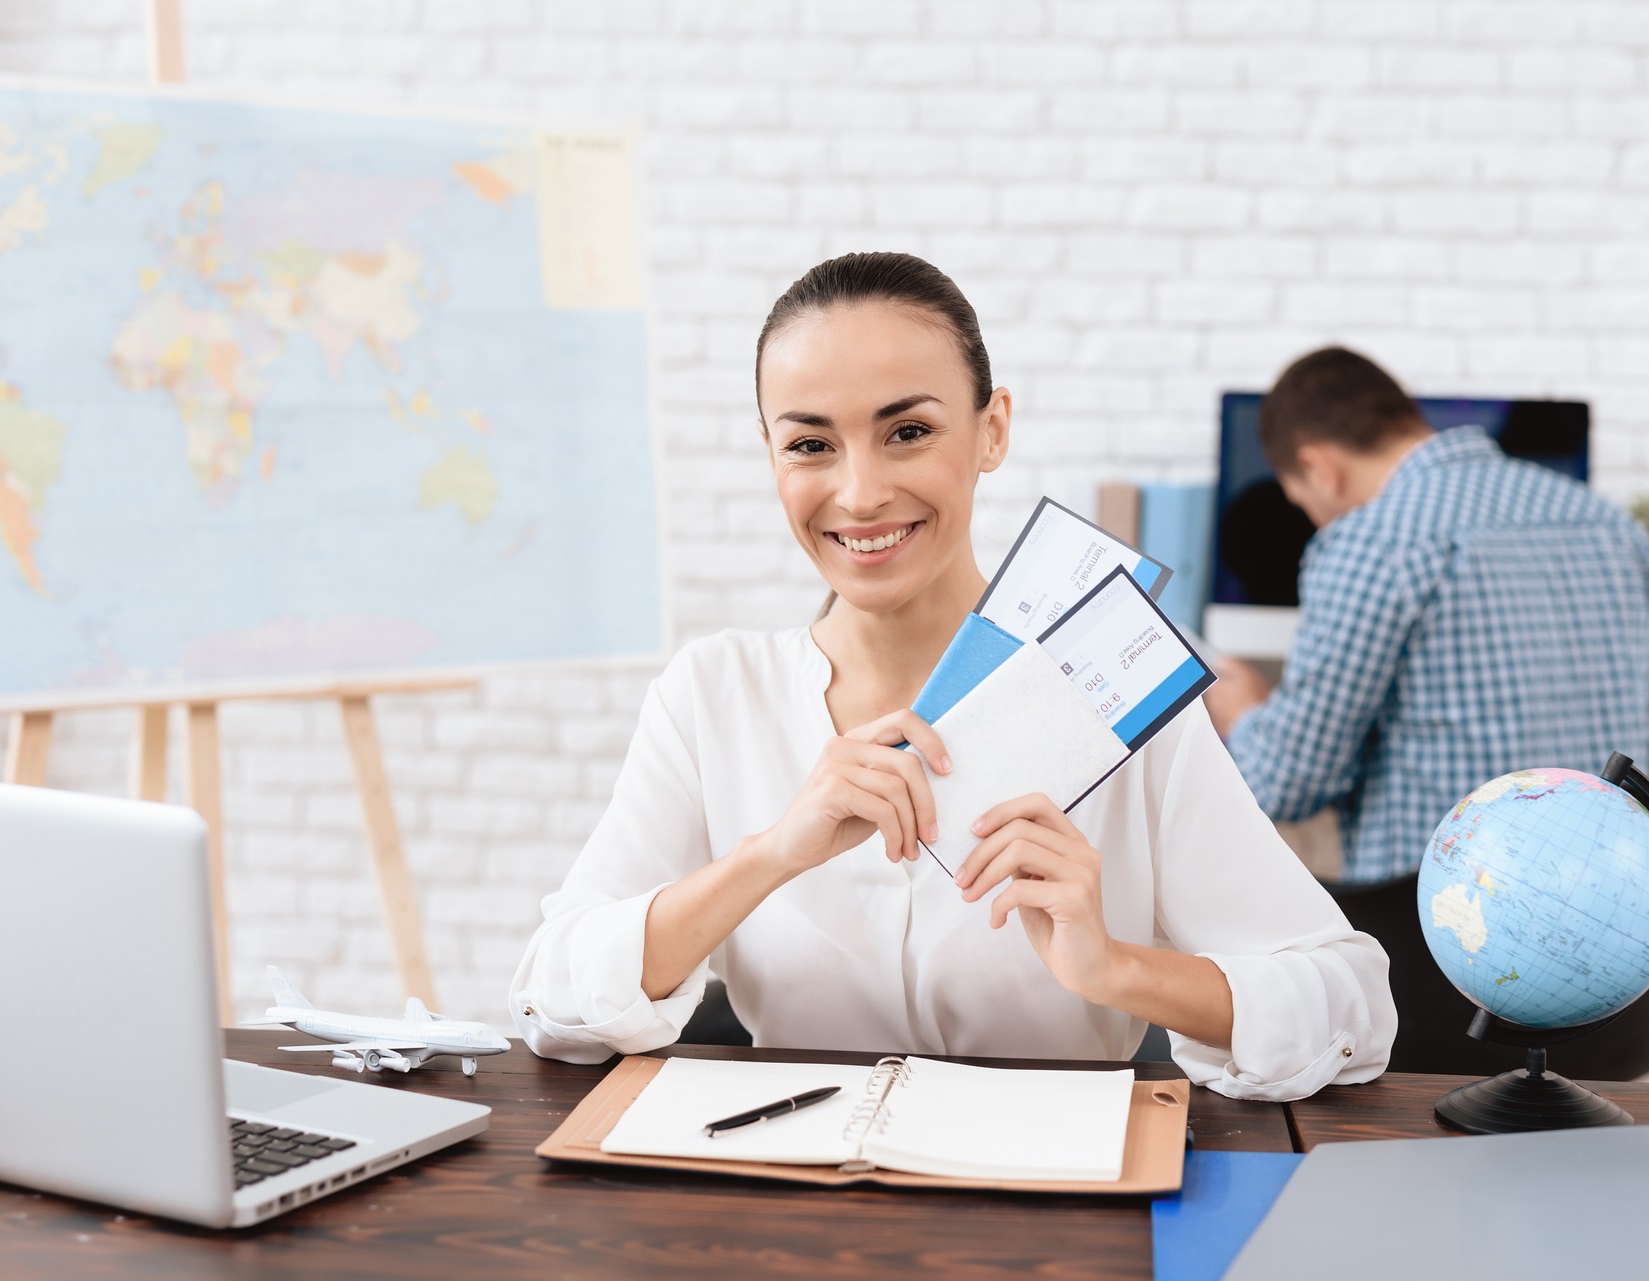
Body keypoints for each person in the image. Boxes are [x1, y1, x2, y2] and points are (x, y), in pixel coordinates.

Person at [511, 254, 1393, 1100]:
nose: (858, 494)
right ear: (771, 456)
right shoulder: (712, 693)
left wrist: (1119, 967)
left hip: (1048, 1215)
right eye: (811, 444)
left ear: (992, 429)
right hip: (791, 1209)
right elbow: (554, 996)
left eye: (908, 432)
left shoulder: (1115, 697)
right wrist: (773, 853)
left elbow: (1349, 1003)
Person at [1205, 347, 1649, 884]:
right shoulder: (1612, 525)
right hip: (1611, 917)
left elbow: (1287, 782)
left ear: (1319, 469)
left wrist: (1243, 712)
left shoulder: (1375, 540)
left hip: (1445, 931)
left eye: (1299, 501)